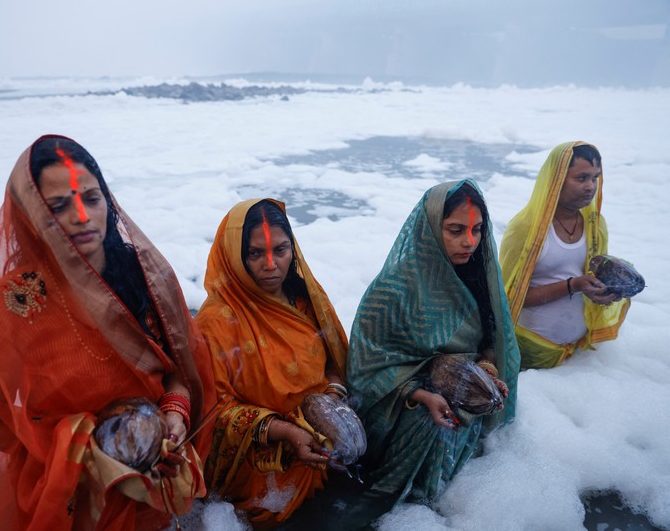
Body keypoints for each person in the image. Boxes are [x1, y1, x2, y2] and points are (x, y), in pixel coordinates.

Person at [0, 135, 216, 530]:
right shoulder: (12, 304)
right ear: (30, 216)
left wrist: (174, 414)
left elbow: (179, 370)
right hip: (72, 500)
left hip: (154, 478)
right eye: (58, 206)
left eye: (92, 198)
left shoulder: (145, 278)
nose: (82, 216)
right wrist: (74, 451)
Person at [346, 180, 519, 525]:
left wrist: (487, 373)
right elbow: (365, 365)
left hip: (461, 387)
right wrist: (420, 393)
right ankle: (402, 505)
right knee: (432, 423)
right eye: (455, 230)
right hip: (402, 404)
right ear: (430, 228)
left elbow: (492, 340)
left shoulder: (480, 274)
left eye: (477, 230)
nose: (469, 241)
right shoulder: (394, 287)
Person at [195, 199, 349, 529]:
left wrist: (331, 403)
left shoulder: (305, 301)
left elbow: (337, 364)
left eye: (280, 250)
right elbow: (213, 412)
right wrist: (286, 431)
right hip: (258, 461)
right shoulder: (217, 321)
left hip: (319, 438)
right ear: (234, 256)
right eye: (255, 254)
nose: (271, 265)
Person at [500, 142, 630, 370]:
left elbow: (594, 277)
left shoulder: (595, 224)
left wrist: (604, 293)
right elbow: (509, 298)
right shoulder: (525, 229)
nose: (590, 186)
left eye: (595, 178)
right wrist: (572, 285)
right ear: (556, 178)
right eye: (581, 178)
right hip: (531, 350)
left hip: (579, 352)